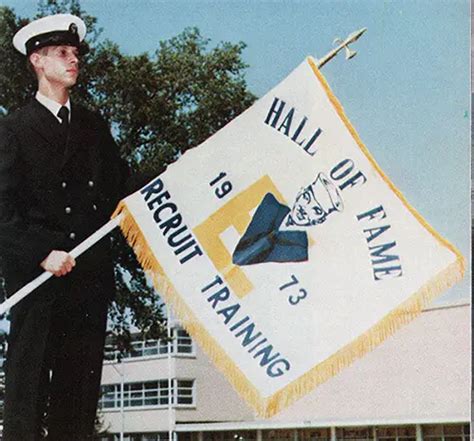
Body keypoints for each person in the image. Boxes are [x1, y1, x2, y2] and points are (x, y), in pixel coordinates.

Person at [0, 14, 129, 440]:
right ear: (37, 60)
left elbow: (122, 190)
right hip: (37, 285)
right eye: (62, 53)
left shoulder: (94, 127)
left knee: (77, 404)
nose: (73, 61)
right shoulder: (13, 131)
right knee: (27, 398)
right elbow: (3, 213)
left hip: (86, 284)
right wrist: (42, 252)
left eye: (75, 53)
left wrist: (176, 172)